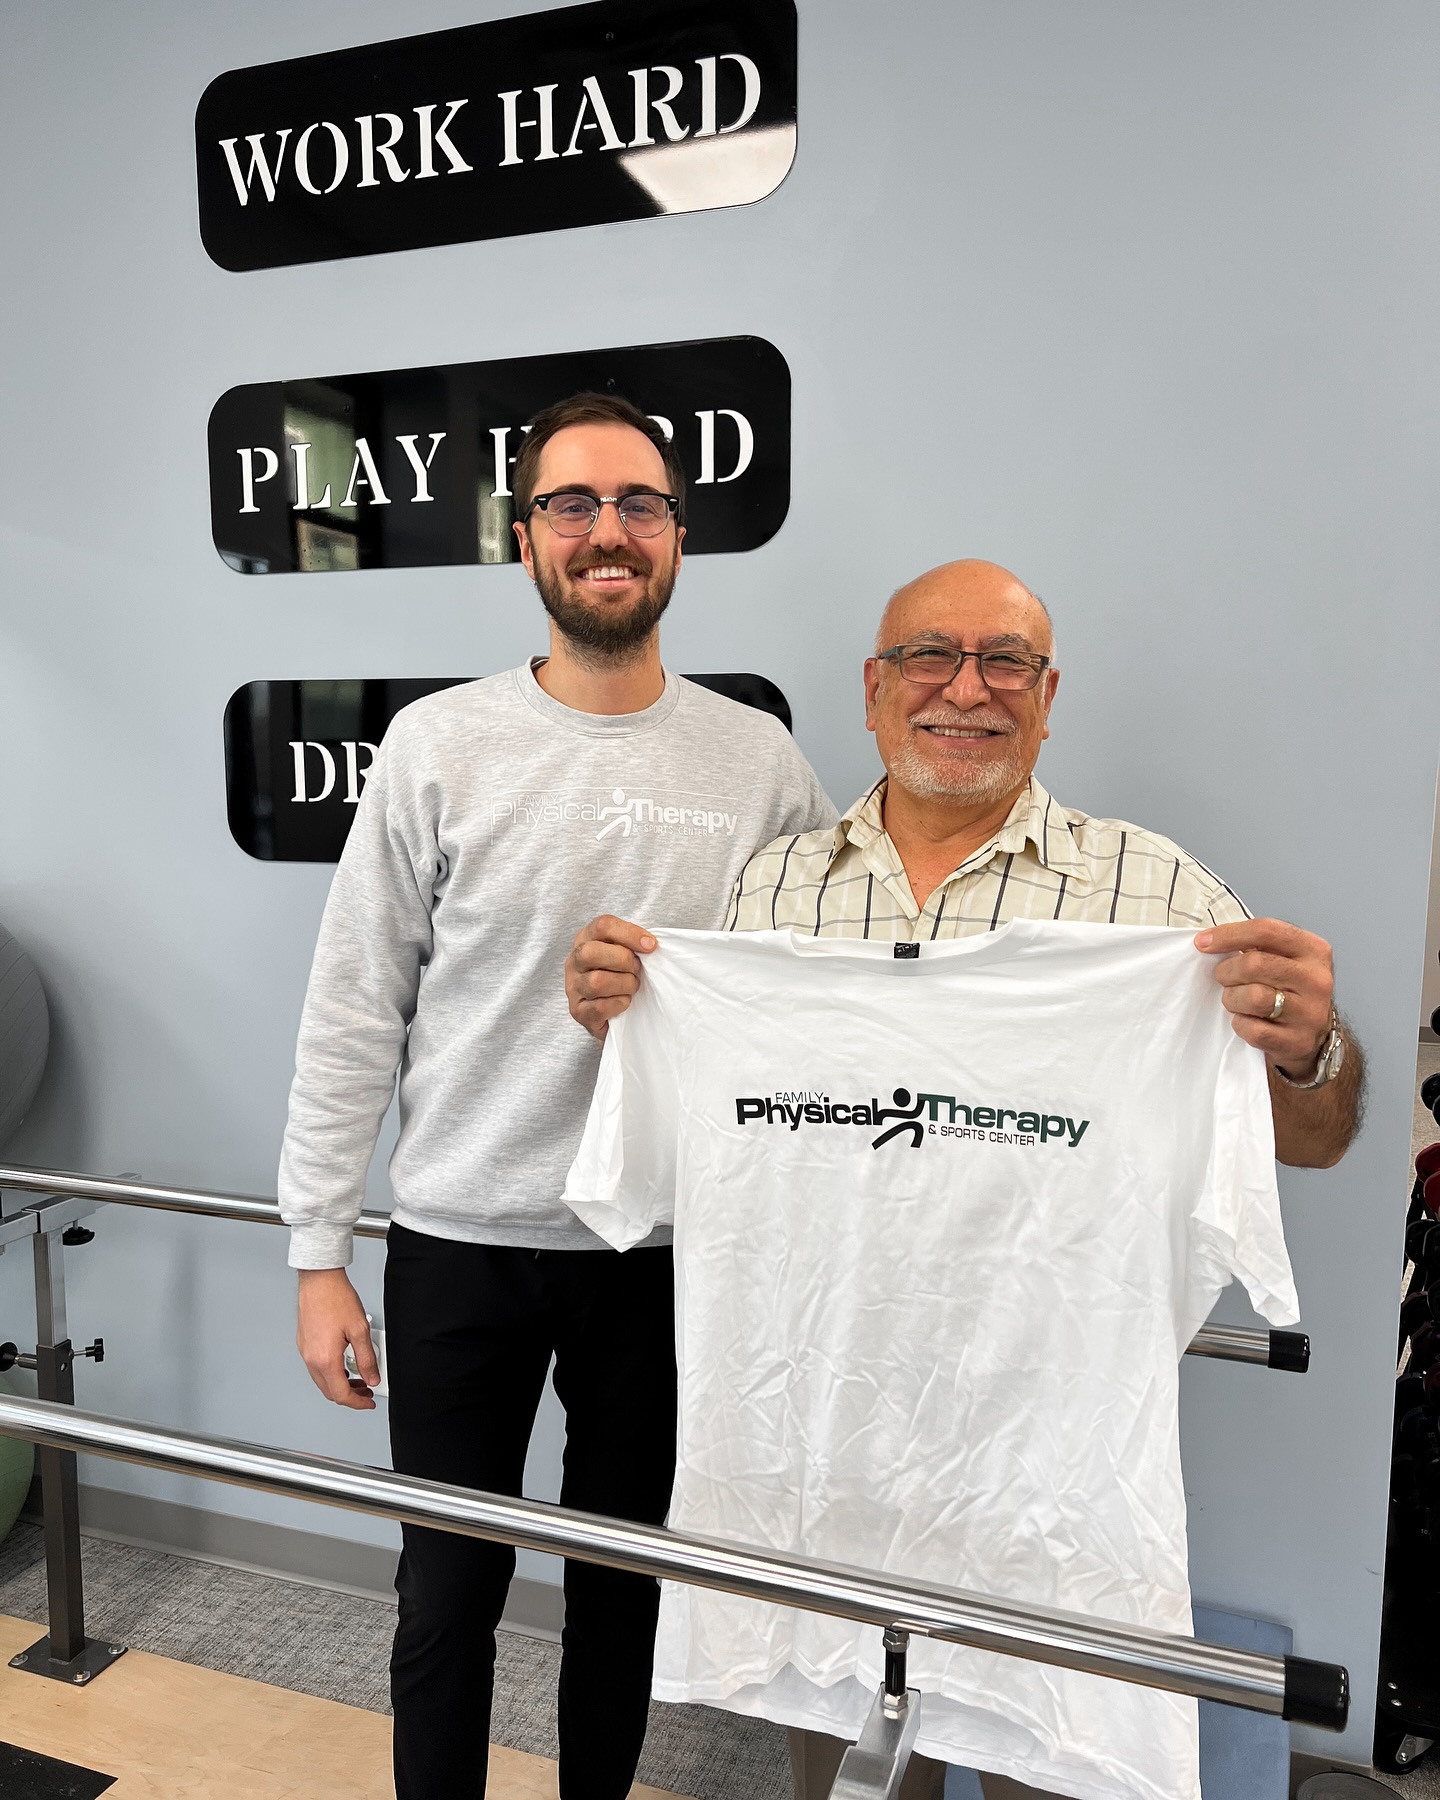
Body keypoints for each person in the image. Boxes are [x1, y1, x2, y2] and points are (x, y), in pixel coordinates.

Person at [564, 557, 1364, 1797]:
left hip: (1041, 1493)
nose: (967, 690)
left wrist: (1314, 1050)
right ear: (874, 690)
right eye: (931, 657)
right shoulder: (769, 891)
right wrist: (630, 1020)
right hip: (817, 1461)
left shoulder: (1164, 905)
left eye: (1007, 664)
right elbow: (689, 1135)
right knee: (841, 1759)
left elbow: (1312, 1137)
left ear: (1048, 699)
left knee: (1039, 1758)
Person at [277, 390, 835, 1800]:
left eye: (639, 504)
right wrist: (318, 1254)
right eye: (572, 504)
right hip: (460, 1241)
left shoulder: (760, 762)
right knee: (444, 1599)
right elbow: (354, 1005)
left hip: (657, 1251)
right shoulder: (437, 745)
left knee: (620, 1592)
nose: (607, 532)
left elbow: (817, 1000)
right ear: (525, 538)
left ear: (679, 538)